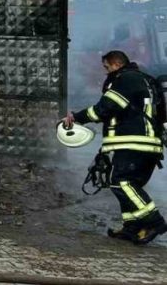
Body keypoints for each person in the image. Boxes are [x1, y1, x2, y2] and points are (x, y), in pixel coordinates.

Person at [63, 50, 167, 244]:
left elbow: (105, 108)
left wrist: (76, 118)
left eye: (106, 67)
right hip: (148, 144)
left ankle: (154, 221)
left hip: (132, 142)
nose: (106, 72)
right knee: (129, 185)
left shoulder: (125, 79)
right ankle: (132, 227)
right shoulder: (147, 81)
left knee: (121, 182)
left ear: (116, 64)